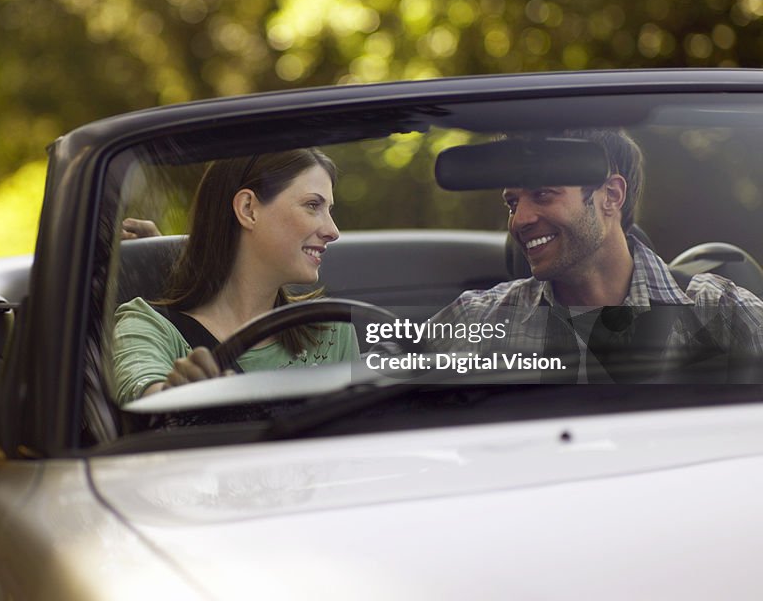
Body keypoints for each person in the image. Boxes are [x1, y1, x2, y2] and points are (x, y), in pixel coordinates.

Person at [424, 129, 763, 383]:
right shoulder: (479, 321)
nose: (520, 219)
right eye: (512, 203)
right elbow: (381, 375)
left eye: (542, 194)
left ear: (611, 196)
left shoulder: (721, 312)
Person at [110, 149, 360, 405]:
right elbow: (146, 393)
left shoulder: (332, 330)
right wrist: (179, 393)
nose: (333, 231)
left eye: (328, 209)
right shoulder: (148, 325)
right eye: (312, 205)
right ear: (248, 209)